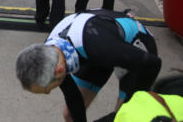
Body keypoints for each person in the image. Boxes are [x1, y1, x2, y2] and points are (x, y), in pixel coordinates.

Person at [16, 9, 161, 122]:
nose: (48, 93)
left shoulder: (99, 48)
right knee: (70, 115)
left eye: (46, 89)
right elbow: (73, 97)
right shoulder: (51, 53)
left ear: (59, 71)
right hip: (97, 47)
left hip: (138, 53)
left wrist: (117, 115)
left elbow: (154, 64)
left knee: (123, 117)